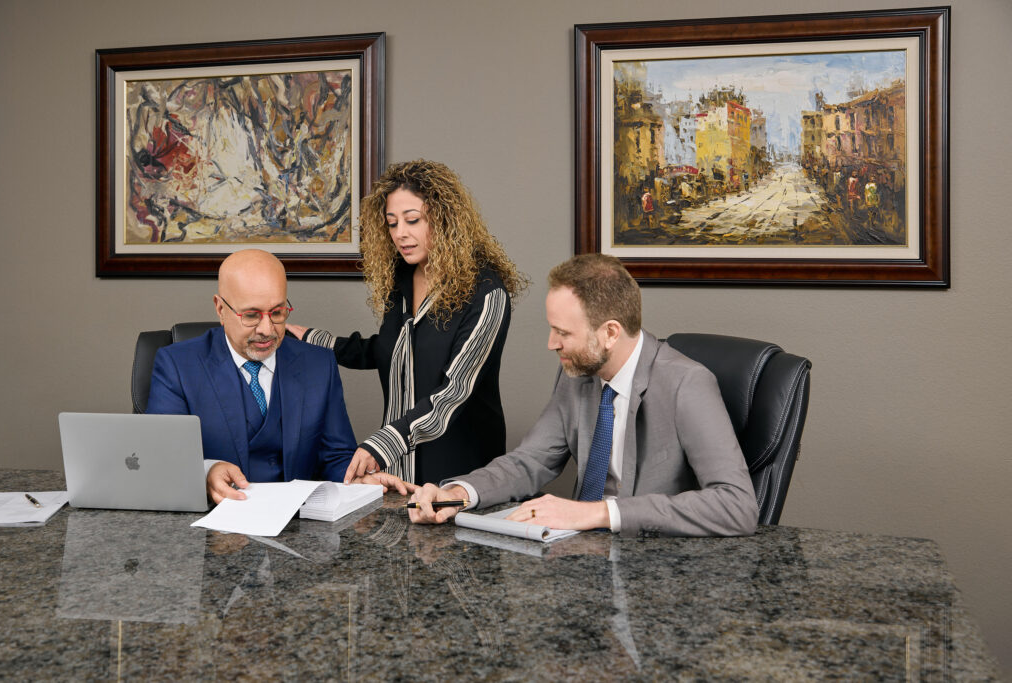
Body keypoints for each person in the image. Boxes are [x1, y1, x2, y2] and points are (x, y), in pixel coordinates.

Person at [408, 253, 759, 537]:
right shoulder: (578, 374)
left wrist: (598, 513)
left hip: (657, 574)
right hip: (583, 560)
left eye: (563, 332)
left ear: (609, 333)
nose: (551, 344)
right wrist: (457, 494)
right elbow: (529, 460)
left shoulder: (688, 384)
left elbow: (737, 506)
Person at [288, 160, 528, 486]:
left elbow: (453, 393)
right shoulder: (399, 282)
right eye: (391, 223)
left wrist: (383, 444)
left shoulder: (486, 294)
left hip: (460, 478)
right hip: (396, 475)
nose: (400, 233)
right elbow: (389, 351)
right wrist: (317, 340)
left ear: (444, 219)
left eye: (412, 220)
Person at [147, 249, 409, 502]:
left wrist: (357, 481)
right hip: (216, 532)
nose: (266, 329)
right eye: (250, 315)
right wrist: (206, 472)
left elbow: (335, 457)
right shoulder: (177, 365)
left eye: (277, 312)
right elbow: (162, 458)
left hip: (298, 531)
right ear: (220, 308)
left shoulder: (319, 363)